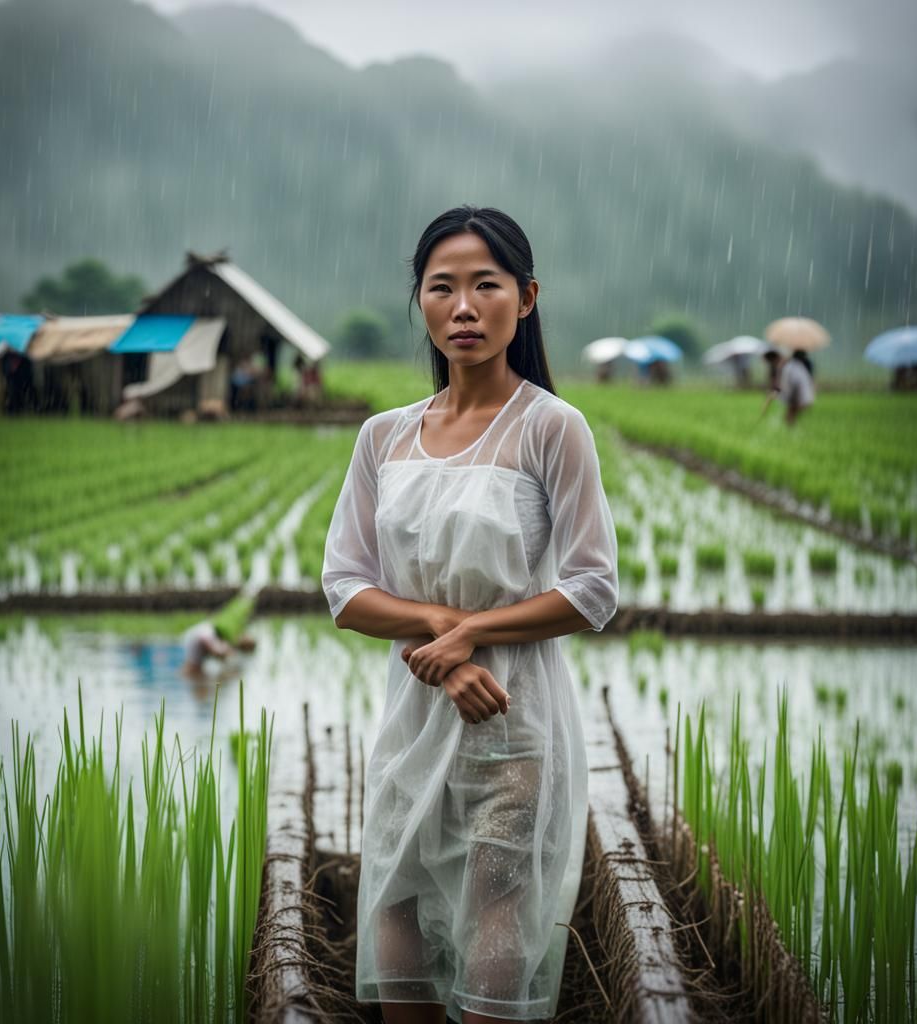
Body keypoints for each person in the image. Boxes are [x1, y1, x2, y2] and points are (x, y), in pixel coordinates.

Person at [322, 205, 619, 1024]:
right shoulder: (385, 438)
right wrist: (444, 639)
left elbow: (593, 588)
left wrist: (474, 636)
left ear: (525, 299)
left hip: (510, 712)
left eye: (484, 285)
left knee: (498, 896)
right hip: (415, 706)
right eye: (441, 287)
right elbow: (346, 588)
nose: (462, 306)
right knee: (393, 890)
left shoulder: (552, 428)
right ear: (418, 300)